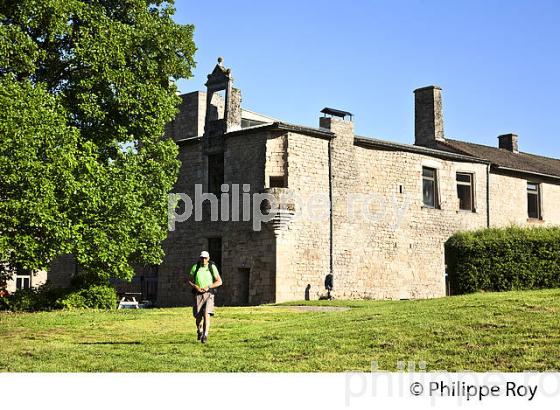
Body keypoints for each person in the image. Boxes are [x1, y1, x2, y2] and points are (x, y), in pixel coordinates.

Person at [188, 251, 222, 343]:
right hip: (197, 294)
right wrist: (196, 287)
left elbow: (219, 281)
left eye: (205, 258)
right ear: (200, 258)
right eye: (202, 258)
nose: (203, 260)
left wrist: (208, 287)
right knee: (198, 317)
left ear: (208, 258)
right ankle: (199, 331)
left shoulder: (212, 267)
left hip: (209, 294)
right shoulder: (195, 267)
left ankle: (205, 335)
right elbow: (189, 280)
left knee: (207, 314)